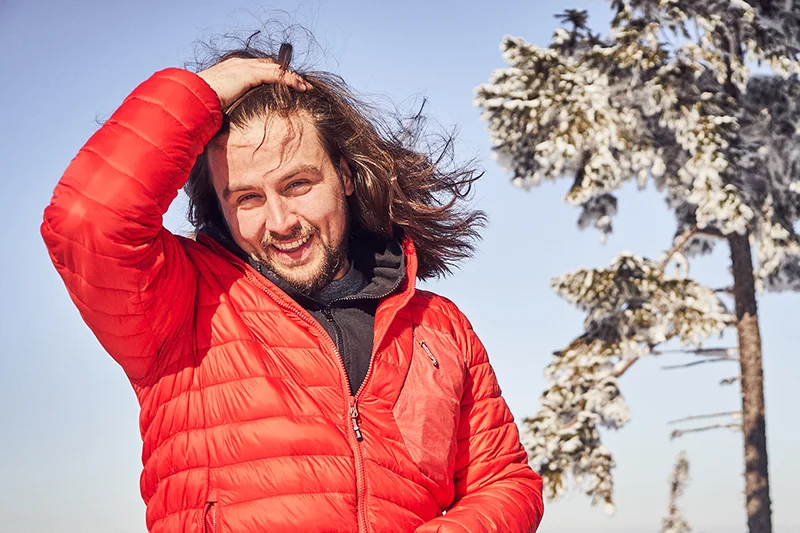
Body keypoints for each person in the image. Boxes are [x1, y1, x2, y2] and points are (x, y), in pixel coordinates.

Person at [42, 41, 544, 533]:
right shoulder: (178, 301)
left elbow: (504, 480)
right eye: (247, 198)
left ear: (344, 176)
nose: (280, 222)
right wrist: (201, 93)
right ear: (219, 207)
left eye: (297, 185)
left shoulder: (438, 327)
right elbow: (86, 221)